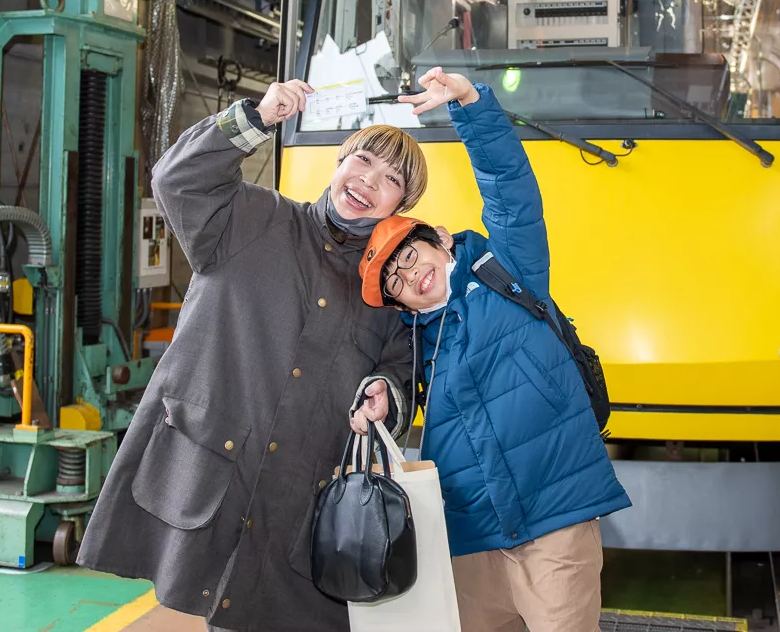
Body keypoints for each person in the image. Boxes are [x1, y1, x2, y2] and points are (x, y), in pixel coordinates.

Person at [79, 81, 419, 632]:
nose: (369, 182)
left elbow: (404, 366)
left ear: (399, 207)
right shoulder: (250, 217)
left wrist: (387, 391)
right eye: (363, 160)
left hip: (301, 504)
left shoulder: (384, 290)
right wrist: (255, 120)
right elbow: (176, 179)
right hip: (215, 476)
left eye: (391, 180)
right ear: (338, 162)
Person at [354, 67, 631, 632]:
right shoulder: (412, 341)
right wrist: (381, 394)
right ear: (398, 303)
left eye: (412, 256)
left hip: (555, 515)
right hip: (471, 531)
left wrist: (471, 105)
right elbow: (393, 391)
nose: (411, 276)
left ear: (441, 240)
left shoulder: (508, 270)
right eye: (397, 281)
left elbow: (509, 185)